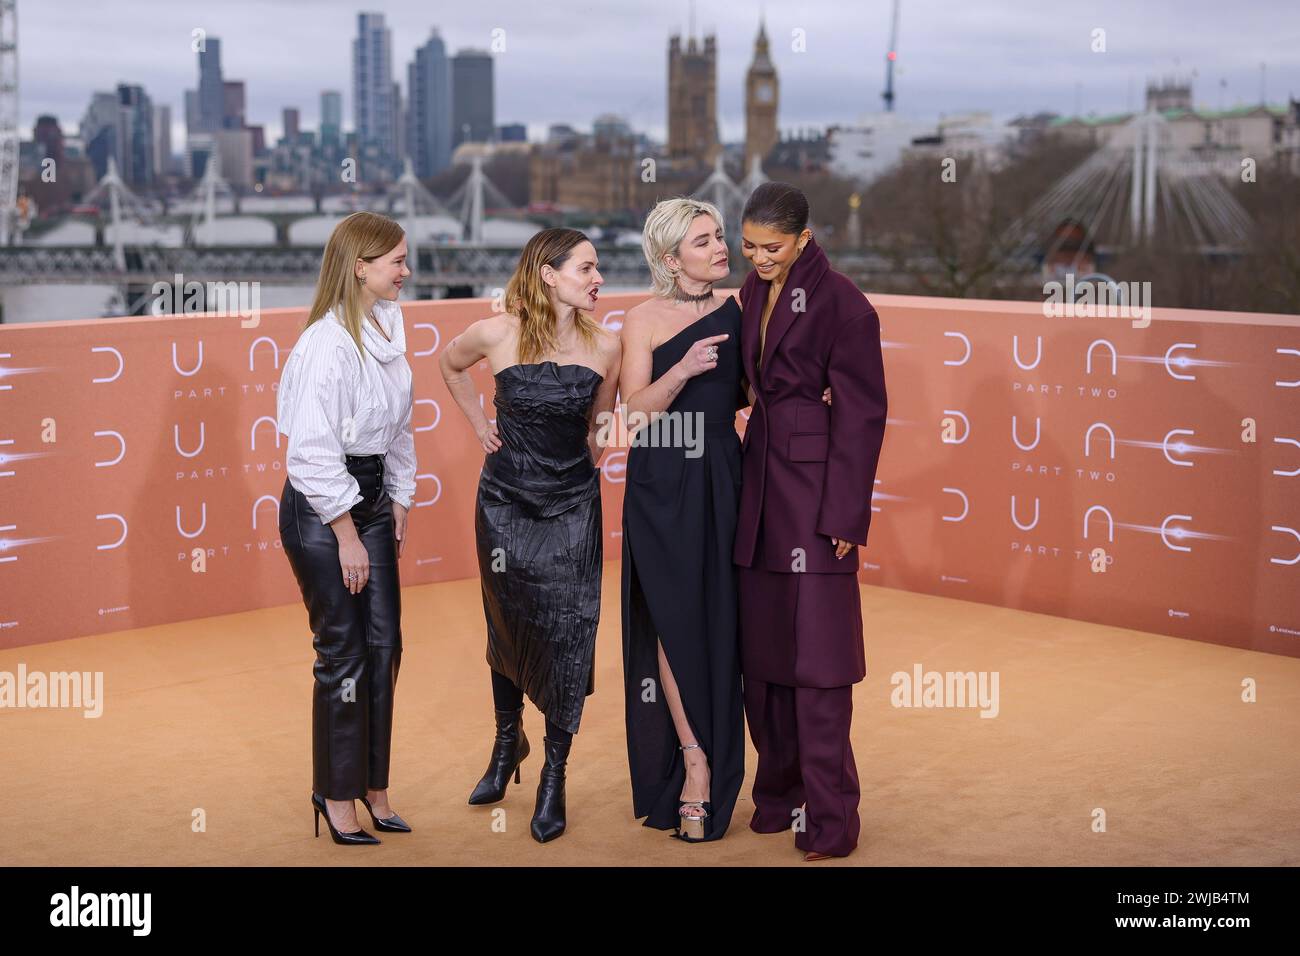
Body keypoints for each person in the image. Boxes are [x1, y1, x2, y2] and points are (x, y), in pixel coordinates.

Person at [439, 227, 621, 843]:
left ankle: (554, 775)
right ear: (548, 272)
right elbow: (449, 363)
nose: (599, 279)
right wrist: (477, 423)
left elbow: (600, 432)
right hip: (505, 503)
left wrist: (572, 477)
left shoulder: (608, 346)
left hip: (571, 506)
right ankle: (505, 743)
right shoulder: (497, 331)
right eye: (588, 268)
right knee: (508, 619)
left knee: (570, 630)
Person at [733, 182, 888, 860]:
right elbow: (748, 383)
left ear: (804, 238)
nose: (758, 259)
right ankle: (779, 799)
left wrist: (848, 512)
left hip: (817, 502)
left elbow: (863, 414)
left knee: (819, 666)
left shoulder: (845, 304)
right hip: (757, 491)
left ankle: (832, 820)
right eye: (748, 246)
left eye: (772, 247)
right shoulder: (748, 292)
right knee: (763, 665)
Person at [277, 211, 417, 846]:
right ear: (361, 266)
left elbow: (400, 426)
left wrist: (401, 502)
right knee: (344, 652)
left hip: (375, 500)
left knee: (384, 648)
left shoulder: (389, 324)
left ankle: (374, 785)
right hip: (321, 509)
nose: (406, 272)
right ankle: (335, 795)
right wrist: (348, 533)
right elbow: (309, 452)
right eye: (396, 261)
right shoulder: (323, 344)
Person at [618, 198, 747, 842]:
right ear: (671, 258)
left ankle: (731, 761)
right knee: (673, 622)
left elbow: (760, 390)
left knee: (725, 620)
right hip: (662, 480)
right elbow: (635, 415)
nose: (721, 247)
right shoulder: (640, 319)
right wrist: (684, 368)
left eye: (720, 236)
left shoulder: (742, 308)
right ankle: (695, 766)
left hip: (725, 475)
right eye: (704, 240)